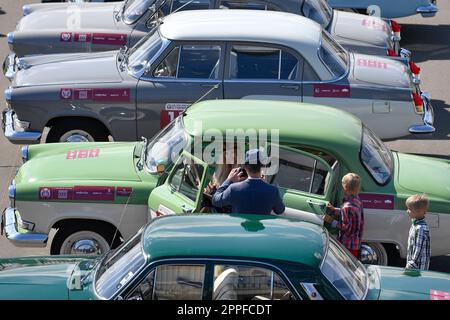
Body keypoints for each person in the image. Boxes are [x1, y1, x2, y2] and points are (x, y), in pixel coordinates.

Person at [212, 148, 285, 215]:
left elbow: (215, 200)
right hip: (261, 229)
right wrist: (265, 184)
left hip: (239, 228)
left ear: (245, 167)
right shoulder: (273, 190)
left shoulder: (234, 189)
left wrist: (229, 180)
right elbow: (280, 210)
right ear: (263, 166)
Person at [323, 173, 364, 258]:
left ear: (345, 188)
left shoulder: (347, 206)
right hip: (355, 242)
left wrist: (331, 221)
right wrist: (335, 209)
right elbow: (349, 215)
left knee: (345, 264)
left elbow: (344, 226)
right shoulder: (357, 200)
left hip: (347, 244)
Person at [405, 194, 431, 270]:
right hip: (414, 263)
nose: (407, 211)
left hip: (418, 266)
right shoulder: (415, 224)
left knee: (415, 282)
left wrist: (411, 263)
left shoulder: (420, 228)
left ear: (418, 212)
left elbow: (418, 249)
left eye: (409, 209)